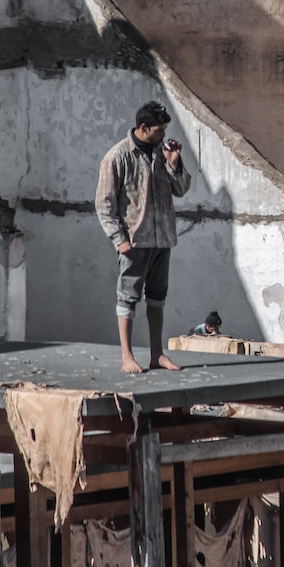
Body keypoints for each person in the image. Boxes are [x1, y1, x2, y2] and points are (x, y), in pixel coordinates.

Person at [95, 101, 192, 373]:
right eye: (159, 130)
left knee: (157, 297)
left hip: (162, 240)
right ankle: (127, 356)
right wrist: (119, 239)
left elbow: (181, 189)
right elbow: (104, 204)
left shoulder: (162, 154)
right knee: (128, 297)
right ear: (143, 128)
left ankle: (157, 354)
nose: (163, 135)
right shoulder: (118, 156)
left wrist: (174, 163)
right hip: (135, 241)